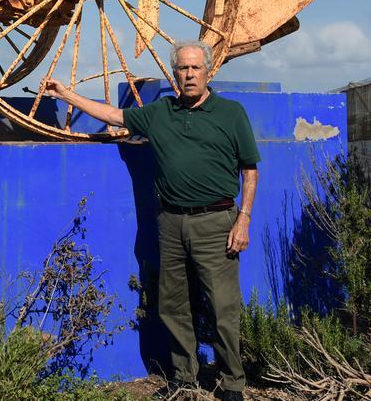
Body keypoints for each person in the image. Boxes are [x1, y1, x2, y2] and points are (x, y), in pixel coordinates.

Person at [43, 40, 259, 400]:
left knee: (223, 306)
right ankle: (184, 377)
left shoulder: (231, 113)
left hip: (217, 221)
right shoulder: (160, 113)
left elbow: (249, 171)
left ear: (207, 72)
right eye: (182, 69)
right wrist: (66, 94)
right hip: (170, 222)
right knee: (173, 304)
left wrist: (244, 219)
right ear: (174, 74)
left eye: (195, 68)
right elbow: (113, 116)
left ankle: (232, 382)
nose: (189, 75)